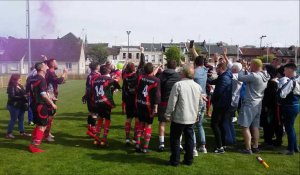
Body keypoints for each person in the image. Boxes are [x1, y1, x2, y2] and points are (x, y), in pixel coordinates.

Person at [165, 64, 202, 166]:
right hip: (191, 117)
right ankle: (188, 160)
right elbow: (200, 103)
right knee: (189, 139)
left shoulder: (178, 85)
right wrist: (197, 113)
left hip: (180, 117)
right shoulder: (197, 86)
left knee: (176, 139)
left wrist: (168, 114)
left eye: (181, 72)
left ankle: (175, 160)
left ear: (184, 73)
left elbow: (172, 101)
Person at [237, 59, 270, 154]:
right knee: (255, 126)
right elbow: (250, 76)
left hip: (250, 104)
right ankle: (255, 146)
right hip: (258, 103)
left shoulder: (255, 76)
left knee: (245, 126)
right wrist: (248, 70)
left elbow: (240, 78)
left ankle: (248, 149)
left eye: (251, 65)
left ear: (255, 65)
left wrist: (242, 67)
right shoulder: (265, 75)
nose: (249, 66)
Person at [28, 62, 57, 153]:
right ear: (41, 69)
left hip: (33, 104)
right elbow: (43, 94)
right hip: (41, 105)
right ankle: (35, 146)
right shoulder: (41, 79)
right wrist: (52, 103)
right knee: (43, 126)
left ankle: (33, 142)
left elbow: (29, 92)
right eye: (45, 65)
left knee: (38, 125)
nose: (47, 66)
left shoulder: (31, 78)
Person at [91, 65, 121, 147]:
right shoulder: (108, 79)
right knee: (107, 119)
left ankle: (96, 139)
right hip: (105, 102)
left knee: (100, 118)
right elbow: (117, 85)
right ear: (107, 71)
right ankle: (104, 140)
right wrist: (116, 81)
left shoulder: (95, 79)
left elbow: (92, 89)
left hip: (97, 101)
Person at [135, 63, 161, 153]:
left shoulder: (140, 77)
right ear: (152, 70)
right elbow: (157, 95)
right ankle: (145, 147)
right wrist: (156, 107)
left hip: (139, 103)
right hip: (149, 106)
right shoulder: (156, 80)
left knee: (140, 123)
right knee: (148, 125)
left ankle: (137, 144)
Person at [208, 63, 233, 154]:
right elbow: (212, 82)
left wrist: (211, 102)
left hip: (221, 105)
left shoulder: (224, 78)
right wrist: (205, 76)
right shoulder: (224, 76)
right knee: (221, 124)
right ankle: (223, 143)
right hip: (224, 104)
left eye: (217, 68)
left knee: (215, 124)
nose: (216, 70)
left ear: (221, 68)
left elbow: (218, 93)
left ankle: (220, 147)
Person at [157, 60, 181, 152]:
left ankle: (161, 143)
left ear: (167, 66)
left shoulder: (161, 76)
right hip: (175, 103)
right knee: (177, 123)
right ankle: (177, 143)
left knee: (162, 122)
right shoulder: (178, 76)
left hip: (163, 102)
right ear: (175, 67)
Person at [44, 58, 68, 142]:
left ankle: (48, 132)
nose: (57, 64)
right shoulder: (50, 72)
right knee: (50, 117)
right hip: (50, 97)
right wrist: (64, 73)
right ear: (52, 64)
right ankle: (46, 135)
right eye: (56, 62)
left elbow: (57, 82)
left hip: (52, 96)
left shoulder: (51, 72)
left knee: (52, 116)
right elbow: (59, 81)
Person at [278, 63, 300, 155]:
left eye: (285, 70)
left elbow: (282, 94)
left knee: (289, 128)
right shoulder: (298, 79)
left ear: (290, 70)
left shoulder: (291, 81)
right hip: (295, 105)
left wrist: (279, 89)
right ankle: (295, 147)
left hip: (289, 107)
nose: (284, 72)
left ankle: (291, 149)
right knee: (291, 128)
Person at [260, 65, 282, 148]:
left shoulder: (272, 83)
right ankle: (270, 140)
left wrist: (266, 105)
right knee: (270, 124)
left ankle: (268, 142)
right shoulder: (272, 81)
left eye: (265, 70)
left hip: (270, 107)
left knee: (268, 124)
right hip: (271, 106)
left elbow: (269, 96)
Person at [223, 62, 243, 146]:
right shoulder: (240, 76)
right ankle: (232, 138)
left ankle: (229, 139)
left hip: (230, 101)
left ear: (234, 69)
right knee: (229, 121)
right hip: (235, 102)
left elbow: (228, 74)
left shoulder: (234, 77)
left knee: (225, 121)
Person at [6, 74, 31, 138]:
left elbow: (24, 93)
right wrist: (23, 96)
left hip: (21, 105)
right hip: (13, 105)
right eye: (19, 79)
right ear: (14, 79)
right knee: (13, 119)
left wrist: (27, 94)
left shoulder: (20, 85)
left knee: (21, 119)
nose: (20, 79)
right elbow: (12, 97)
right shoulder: (11, 87)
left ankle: (22, 132)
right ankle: (9, 133)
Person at [122, 62, 139, 145]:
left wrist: (124, 101)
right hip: (136, 101)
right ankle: (135, 138)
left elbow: (123, 90)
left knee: (128, 119)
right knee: (137, 120)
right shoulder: (137, 76)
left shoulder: (125, 78)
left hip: (128, 100)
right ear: (133, 68)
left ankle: (127, 138)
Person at [83, 62, 100, 138]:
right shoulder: (98, 75)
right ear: (96, 67)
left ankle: (89, 128)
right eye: (98, 65)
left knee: (90, 113)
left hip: (89, 96)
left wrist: (85, 95)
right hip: (95, 97)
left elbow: (87, 87)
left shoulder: (89, 76)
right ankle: (93, 130)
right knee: (95, 114)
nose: (99, 66)